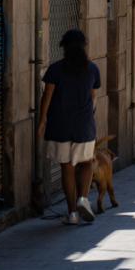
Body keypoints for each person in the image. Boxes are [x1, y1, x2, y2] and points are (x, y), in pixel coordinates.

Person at [36, 29, 101, 225]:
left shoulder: (55, 69)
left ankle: (72, 213)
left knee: (67, 167)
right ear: (83, 46)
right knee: (87, 162)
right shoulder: (92, 69)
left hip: (60, 125)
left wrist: (42, 121)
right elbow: (93, 97)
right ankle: (83, 198)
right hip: (84, 125)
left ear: (64, 47)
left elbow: (46, 97)